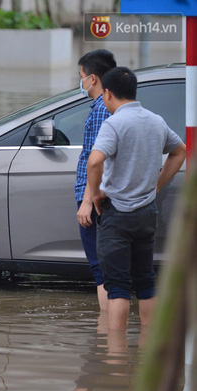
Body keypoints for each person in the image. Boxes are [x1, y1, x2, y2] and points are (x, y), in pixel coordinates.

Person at [87, 66, 186, 331]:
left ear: (107, 93)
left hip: (116, 213)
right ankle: (145, 350)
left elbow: (95, 161)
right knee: (145, 279)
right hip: (147, 212)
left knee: (117, 286)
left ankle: (115, 359)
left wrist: (95, 194)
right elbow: (180, 151)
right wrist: (157, 185)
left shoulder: (114, 123)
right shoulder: (155, 120)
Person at [75, 49, 117, 313]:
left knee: (101, 270)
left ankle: (108, 335)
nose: (80, 82)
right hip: (96, 196)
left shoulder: (102, 109)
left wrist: (88, 200)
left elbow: (97, 160)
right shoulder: (102, 107)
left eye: (80, 76)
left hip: (95, 199)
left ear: (92, 78)